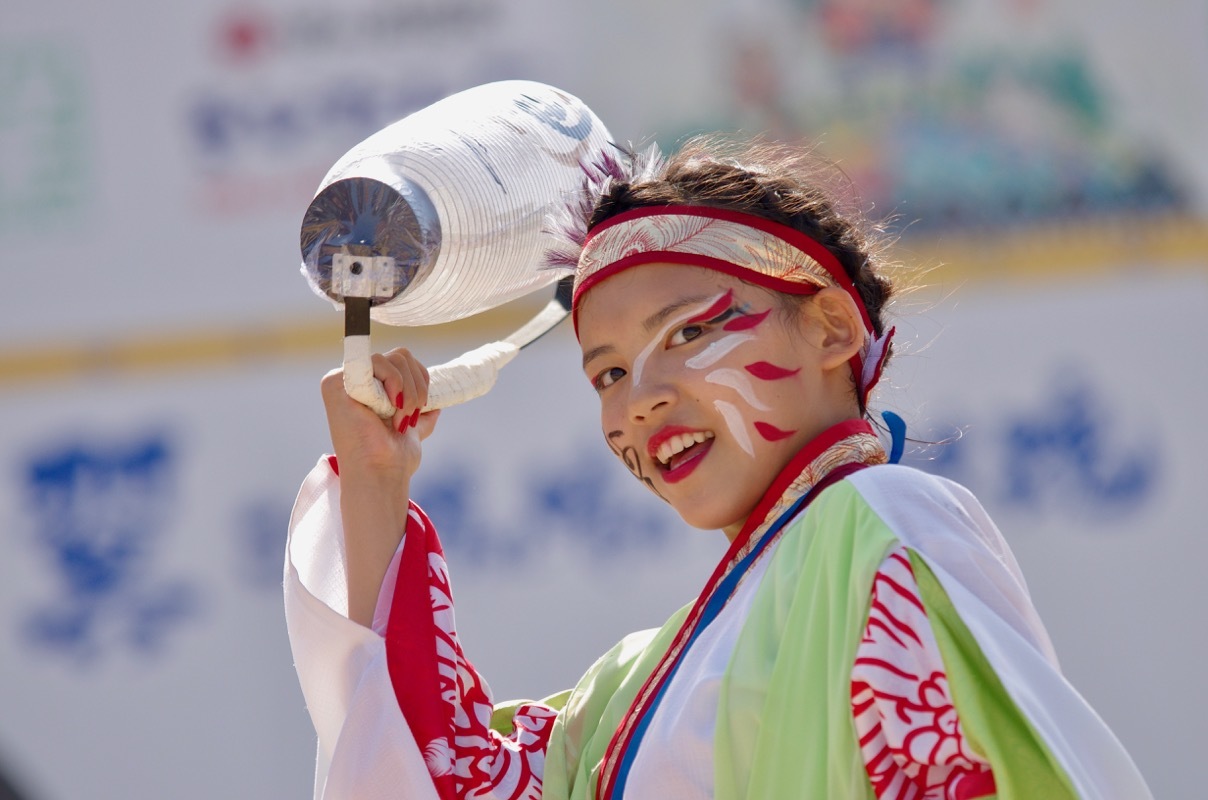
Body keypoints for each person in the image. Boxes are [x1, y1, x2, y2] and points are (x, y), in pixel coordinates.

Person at [284, 136, 1152, 799]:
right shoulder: (632, 687)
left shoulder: (882, 525)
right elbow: (449, 777)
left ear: (831, 331)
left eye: (690, 333)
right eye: (608, 373)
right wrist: (373, 482)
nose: (639, 401)